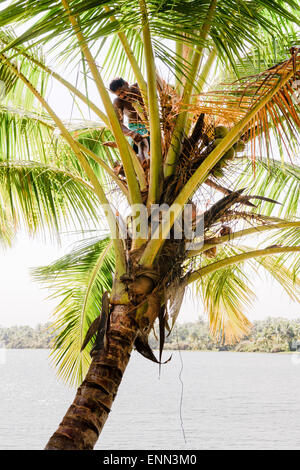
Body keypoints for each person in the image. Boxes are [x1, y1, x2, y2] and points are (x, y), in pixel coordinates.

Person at [108, 77, 149, 163]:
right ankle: (145, 165)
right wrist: (132, 133)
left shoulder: (140, 86)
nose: (123, 96)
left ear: (127, 83)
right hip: (136, 126)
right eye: (119, 95)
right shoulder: (118, 102)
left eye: (122, 92)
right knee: (141, 142)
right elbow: (118, 125)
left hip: (152, 122)